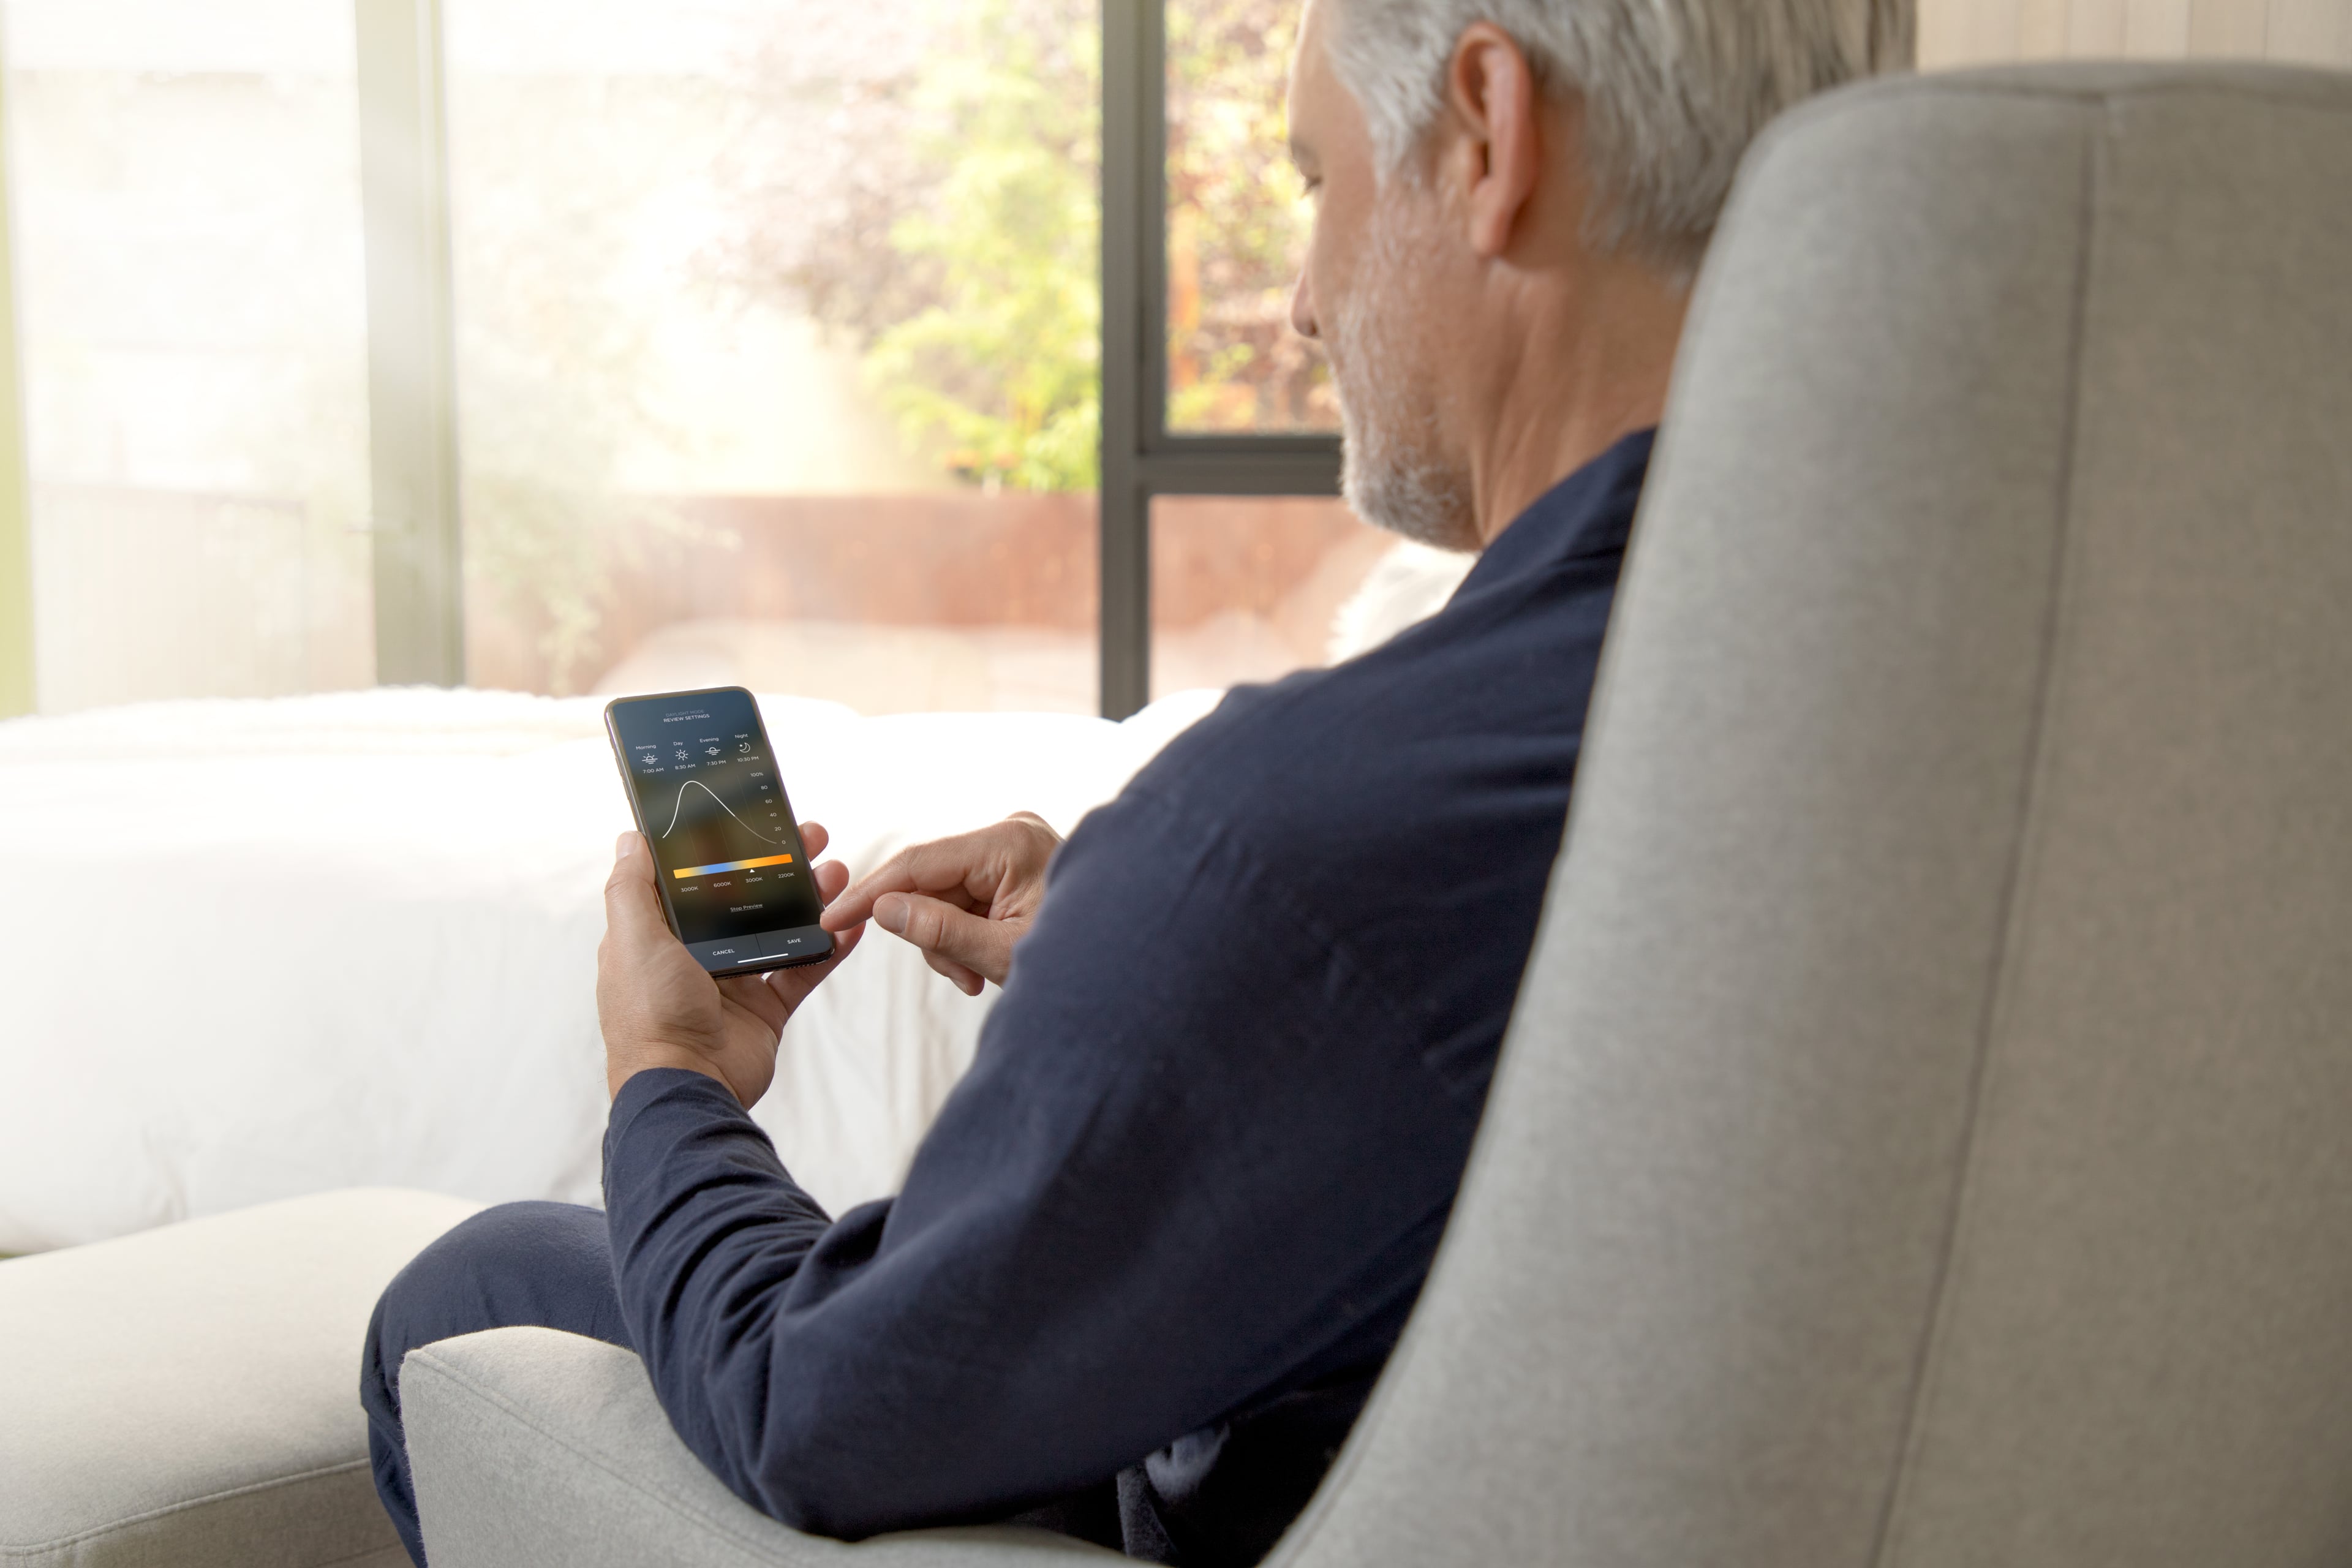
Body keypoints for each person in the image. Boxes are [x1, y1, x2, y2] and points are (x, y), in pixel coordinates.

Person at [362, 2, 1906, 1563]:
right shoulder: (1922, 686)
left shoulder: (1306, 837)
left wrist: (670, 1077)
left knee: (463, 1293)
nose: (1302, 303)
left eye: (1314, 179)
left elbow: (808, 1407)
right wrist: (1151, 955)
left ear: (1489, 134)